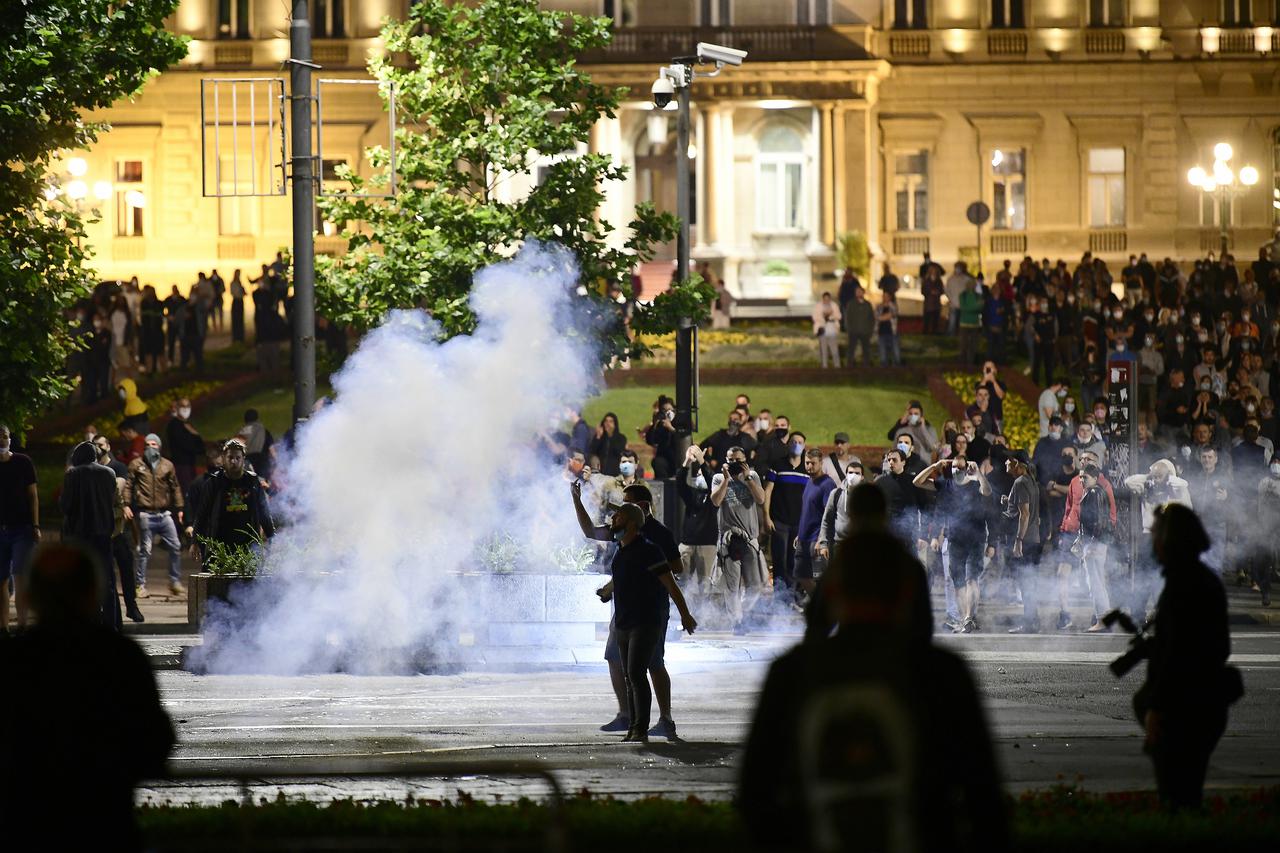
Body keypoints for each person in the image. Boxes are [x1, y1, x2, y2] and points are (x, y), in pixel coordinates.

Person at [738, 526, 1008, 853]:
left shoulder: (792, 672)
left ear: (833, 593)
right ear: (907, 593)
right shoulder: (941, 673)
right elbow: (984, 796)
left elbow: (755, 793)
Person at [0, 543, 175, 851]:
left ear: (30, 598)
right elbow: (156, 743)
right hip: (106, 822)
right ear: (93, 593)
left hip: (28, 826)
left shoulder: (15, 661)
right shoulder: (122, 657)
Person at [1137, 504, 1239, 811]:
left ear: (1169, 539)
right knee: (1184, 796)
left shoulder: (1187, 583)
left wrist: (1157, 707)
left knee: (1178, 797)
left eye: (1155, 535)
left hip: (1187, 707)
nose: (1152, 543)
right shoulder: (1194, 578)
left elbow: (1179, 655)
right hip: (1198, 703)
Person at [594, 502, 696, 743]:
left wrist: (685, 614)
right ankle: (634, 726)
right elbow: (621, 580)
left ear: (630, 523)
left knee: (637, 673)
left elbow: (671, 584)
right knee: (631, 676)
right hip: (624, 622)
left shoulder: (649, 550)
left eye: (617, 517)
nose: (613, 521)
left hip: (646, 621)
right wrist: (608, 592)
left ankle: (640, 728)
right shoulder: (620, 551)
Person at [915, 456, 992, 633]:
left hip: (976, 537)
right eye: (954, 467)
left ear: (967, 468)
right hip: (955, 537)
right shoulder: (945, 484)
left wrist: (979, 473)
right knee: (957, 581)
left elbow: (987, 492)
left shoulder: (974, 483)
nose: (957, 470)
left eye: (960, 467)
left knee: (972, 578)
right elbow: (917, 482)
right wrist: (934, 466)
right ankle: (965, 619)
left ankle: (969, 618)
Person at [59, 442, 121, 629]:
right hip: (103, 532)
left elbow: (66, 506)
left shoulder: (73, 474)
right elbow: (111, 499)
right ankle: (111, 623)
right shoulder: (109, 473)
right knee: (107, 579)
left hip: (79, 535)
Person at [711, 446, 767, 634]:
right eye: (731, 460)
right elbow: (715, 501)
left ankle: (743, 613)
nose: (735, 464)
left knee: (756, 584)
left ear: (745, 461)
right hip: (729, 539)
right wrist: (727, 479)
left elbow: (760, 499)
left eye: (738, 460)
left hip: (750, 538)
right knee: (732, 585)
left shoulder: (752, 475)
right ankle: (737, 622)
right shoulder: (719, 478)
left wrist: (748, 478)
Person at [191, 439, 275, 558]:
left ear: (243, 458)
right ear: (224, 458)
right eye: (230, 457)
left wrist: (272, 537)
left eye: (237, 458)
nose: (233, 461)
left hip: (249, 544)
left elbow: (263, 512)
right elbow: (202, 514)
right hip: (220, 544)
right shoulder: (214, 482)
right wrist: (195, 542)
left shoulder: (252, 481)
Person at [126, 433, 186, 597]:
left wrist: (180, 508)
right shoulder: (136, 464)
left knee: (175, 546)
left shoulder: (167, 465)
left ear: (159, 446)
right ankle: (140, 585)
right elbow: (128, 486)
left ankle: (174, 581)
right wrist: (126, 505)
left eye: (154, 444)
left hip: (164, 514)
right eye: (147, 444)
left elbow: (175, 487)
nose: (150, 447)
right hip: (145, 514)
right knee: (144, 550)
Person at [92, 435, 144, 624]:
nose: (99, 448)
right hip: (100, 528)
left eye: (101, 444)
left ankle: (131, 606)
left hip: (118, 528)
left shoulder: (117, 467)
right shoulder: (92, 470)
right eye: (95, 445)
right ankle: (109, 611)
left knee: (126, 568)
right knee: (104, 572)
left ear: (108, 446)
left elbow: (116, 488)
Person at [0, 424, 40, 632]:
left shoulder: (23, 462)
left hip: (22, 529)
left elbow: (33, 495)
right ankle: (3, 627)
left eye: (5, 436)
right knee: (1, 582)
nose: (2, 441)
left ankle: (23, 625)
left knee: (20, 576)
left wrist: (35, 524)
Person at [764, 431, 809, 599]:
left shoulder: (806, 469)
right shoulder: (778, 464)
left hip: (799, 523)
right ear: (788, 444)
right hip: (779, 521)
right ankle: (779, 598)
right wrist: (766, 517)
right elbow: (768, 491)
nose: (796, 444)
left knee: (794, 561)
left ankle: (793, 597)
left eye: (800, 442)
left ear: (804, 446)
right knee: (779, 561)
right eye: (793, 441)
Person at [1004, 450, 1044, 634]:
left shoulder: (1020, 482)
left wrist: (1018, 540)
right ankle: (1032, 620)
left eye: (1009, 460)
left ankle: (1030, 623)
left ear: (1018, 465)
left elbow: (1025, 513)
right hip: (1034, 538)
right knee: (1030, 582)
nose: (1006, 462)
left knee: (1026, 583)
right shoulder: (1031, 481)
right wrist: (1009, 500)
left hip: (1025, 540)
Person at [675, 445, 719, 602]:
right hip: (687, 543)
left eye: (702, 473)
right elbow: (680, 482)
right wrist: (687, 461)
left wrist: (701, 461)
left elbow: (711, 479)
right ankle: (681, 614)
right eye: (698, 473)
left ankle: (703, 617)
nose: (700, 475)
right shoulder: (692, 494)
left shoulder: (716, 497)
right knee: (681, 582)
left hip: (707, 544)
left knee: (704, 586)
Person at [1073, 464, 1114, 632]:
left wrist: (1091, 544)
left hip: (1095, 543)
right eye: (1081, 477)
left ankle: (1102, 620)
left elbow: (1098, 521)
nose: (1082, 480)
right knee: (1097, 581)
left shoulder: (1094, 493)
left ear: (1095, 478)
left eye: (1085, 477)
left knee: (1095, 582)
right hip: (1096, 542)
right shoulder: (1094, 492)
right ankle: (1103, 619)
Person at [165, 397, 206, 498]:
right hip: (181, 465)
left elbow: (199, 443)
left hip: (190, 463)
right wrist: (197, 443)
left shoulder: (186, 424)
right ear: (177, 408)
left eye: (188, 406)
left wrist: (196, 436)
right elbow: (187, 444)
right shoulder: (174, 425)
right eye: (183, 406)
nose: (186, 409)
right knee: (186, 493)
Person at [238, 408, 275, 483]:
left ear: (245, 420)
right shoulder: (263, 431)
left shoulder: (241, 432)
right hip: (262, 464)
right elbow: (272, 450)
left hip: (246, 464)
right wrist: (277, 462)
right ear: (257, 418)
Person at [588, 412, 627, 477]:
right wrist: (598, 436)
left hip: (615, 474)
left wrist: (610, 435)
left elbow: (619, 451)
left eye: (610, 421)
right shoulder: (600, 437)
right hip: (601, 474)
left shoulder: (621, 438)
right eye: (606, 421)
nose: (607, 424)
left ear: (615, 424)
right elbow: (592, 450)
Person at [844, 285, 875, 368]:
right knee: (851, 349)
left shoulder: (868, 304)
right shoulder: (851, 304)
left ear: (863, 292)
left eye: (860, 291)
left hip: (865, 331)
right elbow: (847, 317)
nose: (858, 293)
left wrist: (870, 330)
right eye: (857, 292)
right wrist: (849, 329)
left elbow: (871, 318)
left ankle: (866, 365)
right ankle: (849, 365)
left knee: (866, 350)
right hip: (853, 331)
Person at [811, 291, 842, 368]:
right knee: (824, 351)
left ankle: (837, 366)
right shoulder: (818, 306)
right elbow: (815, 317)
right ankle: (824, 367)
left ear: (830, 299)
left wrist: (831, 316)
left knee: (834, 351)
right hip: (822, 331)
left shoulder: (834, 305)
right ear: (823, 299)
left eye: (828, 299)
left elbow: (839, 316)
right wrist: (823, 317)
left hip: (832, 331)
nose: (826, 300)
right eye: (825, 299)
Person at [876, 292, 901, 366]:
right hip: (881, 332)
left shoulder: (893, 306)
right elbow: (877, 317)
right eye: (883, 296)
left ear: (890, 297)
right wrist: (886, 316)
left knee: (896, 352)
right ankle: (884, 368)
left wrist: (882, 317)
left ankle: (896, 366)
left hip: (892, 332)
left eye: (887, 296)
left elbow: (892, 314)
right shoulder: (879, 307)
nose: (885, 298)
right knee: (882, 353)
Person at [229, 268, 246, 343]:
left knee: (240, 320)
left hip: (240, 301)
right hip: (236, 301)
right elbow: (235, 293)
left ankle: (240, 337)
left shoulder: (239, 283)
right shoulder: (233, 283)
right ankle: (236, 337)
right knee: (236, 320)